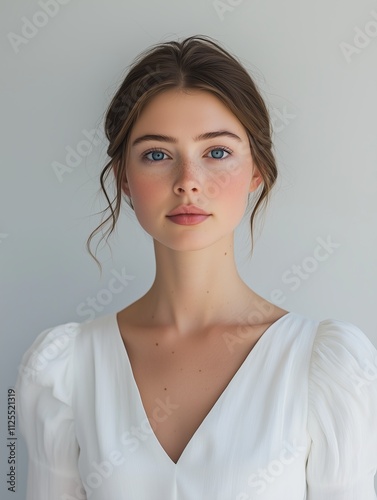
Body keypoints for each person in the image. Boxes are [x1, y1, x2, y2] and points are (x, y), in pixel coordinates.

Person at [16, 35, 377, 500]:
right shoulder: (63, 369)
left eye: (217, 152)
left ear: (256, 171)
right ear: (125, 176)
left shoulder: (325, 368)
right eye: (157, 155)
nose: (188, 182)